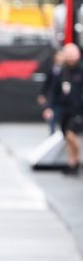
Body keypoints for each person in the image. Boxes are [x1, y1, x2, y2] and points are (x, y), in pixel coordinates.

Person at [46, 43, 83, 175]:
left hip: (78, 110)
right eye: (67, 54)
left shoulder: (81, 70)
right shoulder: (61, 71)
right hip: (64, 109)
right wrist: (49, 107)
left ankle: (77, 161)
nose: (70, 56)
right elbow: (54, 90)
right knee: (66, 136)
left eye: (72, 54)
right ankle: (71, 163)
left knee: (71, 135)